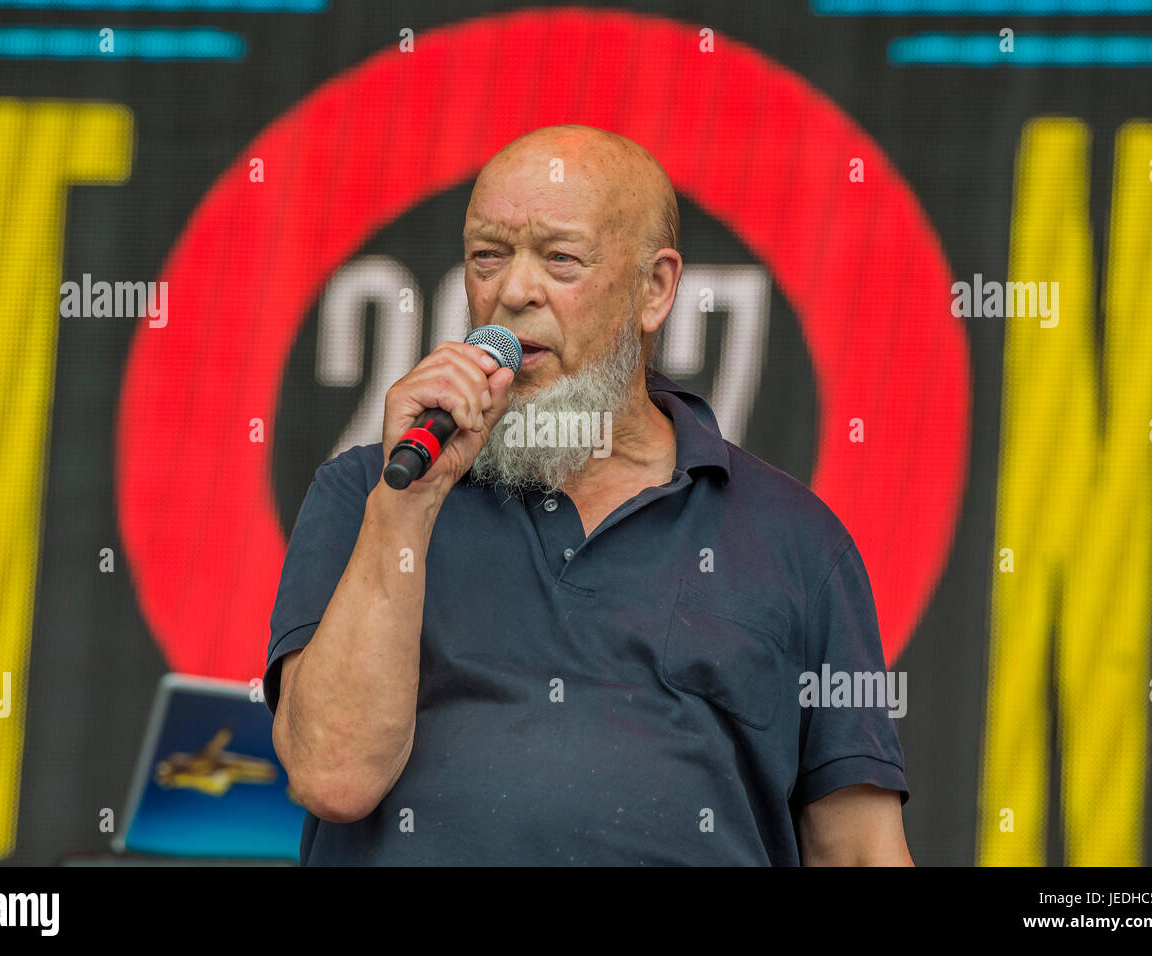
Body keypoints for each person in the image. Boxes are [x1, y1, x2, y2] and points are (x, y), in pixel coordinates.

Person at [265, 124, 913, 865]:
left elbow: (859, 850)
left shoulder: (795, 540)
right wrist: (405, 508)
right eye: (488, 256)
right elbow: (332, 776)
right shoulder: (371, 490)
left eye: (560, 259)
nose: (512, 291)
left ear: (654, 288)